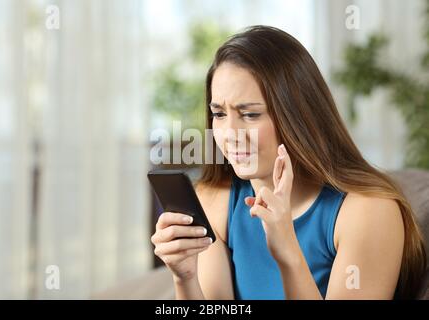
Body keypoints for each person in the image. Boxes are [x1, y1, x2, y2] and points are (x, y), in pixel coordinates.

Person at [150, 26, 427, 300]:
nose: (229, 135)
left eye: (249, 114)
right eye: (219, 114)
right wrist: (184, 277)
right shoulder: (215, 201)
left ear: (297, 116)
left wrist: (288, 254)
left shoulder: (369, 212)